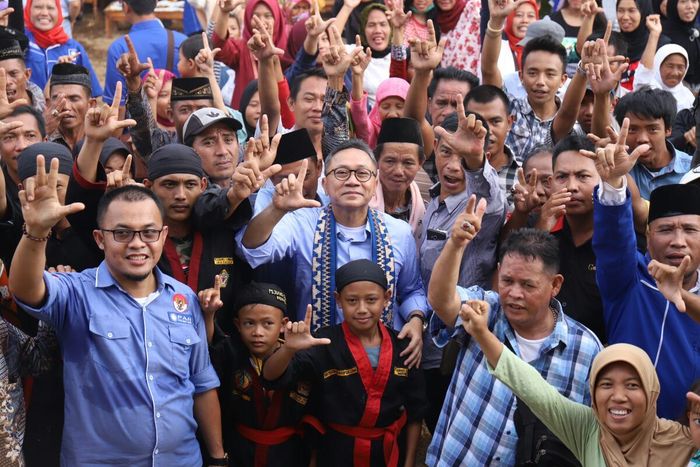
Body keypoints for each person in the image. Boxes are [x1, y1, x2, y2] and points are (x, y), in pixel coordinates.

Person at [9, 175, 226, 465]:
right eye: (122, 233)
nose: (137, 244)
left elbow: (202, 383)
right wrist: (36, 232)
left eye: (148, 232)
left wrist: (218, 457)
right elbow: (24, 288)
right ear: (100, 239)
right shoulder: (77, 293)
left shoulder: (184, 299)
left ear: (163, 235)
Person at [238, 138, 428, 368]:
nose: (352, 181)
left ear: (374, 182)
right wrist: (276, 210)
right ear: (325, 184)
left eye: (362, 174)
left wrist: (416, 320)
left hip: (382, 359)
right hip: (318, 358)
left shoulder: (398, 231)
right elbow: (254, 250)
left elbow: (412, 289)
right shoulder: (302, 222)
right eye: (341, 173)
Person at [426, 225, 602, 465]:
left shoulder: (586, 350)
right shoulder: (485, 310)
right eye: (507, 280)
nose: (514, 293)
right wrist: (455, 244)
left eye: (528, 285)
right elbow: (441, 300)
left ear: (556, 285)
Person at [457, 299, 697, 466]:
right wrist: (482, 334)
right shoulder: (588, 429)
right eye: (606, 385)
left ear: (652, 392)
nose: (618, 396)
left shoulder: (686, 440)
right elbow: (532, 388)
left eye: (633, 385)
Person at [262, 259, 428, 467]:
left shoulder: (404, 346)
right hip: (334, 453)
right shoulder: (323, 342)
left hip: (386, 454)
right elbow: (270, 377)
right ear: (338, 300)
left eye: (371, 300)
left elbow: (416, 411)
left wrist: (410, 461)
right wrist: (288, 349)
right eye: (351, 301)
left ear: (386, 298)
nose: (361, 309)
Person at [589, 123, 700, 419]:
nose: (678, 241)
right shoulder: (629, 279)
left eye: (690, 230)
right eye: (665, 230)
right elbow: (613, 240)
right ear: (648, 236)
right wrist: (613, 183)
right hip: (624, 435)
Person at [416, 109, 506, 433]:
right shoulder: (432, 205)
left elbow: (489, 197)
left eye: (462, 157)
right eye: (445, 152)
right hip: (427, 346)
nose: (453, 166)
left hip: (463, 346)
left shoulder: (480, 205)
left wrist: (474, 161)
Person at [208, 281, 315, 466]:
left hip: (290, 454)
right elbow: (204, 352)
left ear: (283, 325)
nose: (258, 332)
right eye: (249, 323)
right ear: (237, 324)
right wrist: (208, 314)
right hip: (240, 451)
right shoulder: (230, 353)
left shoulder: (300, 357)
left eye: (268, 324)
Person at [481, 0, 588, 163]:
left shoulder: (572, 125)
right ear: (521, 76)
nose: (540, 81)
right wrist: (496, 22)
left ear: (563, 80)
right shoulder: (509, 108)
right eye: (532, 73)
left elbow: (569, 111)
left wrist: (584, 68)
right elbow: (488, 71)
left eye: (550, 74)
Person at [103, 0, 186, 107]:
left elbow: (115, 103)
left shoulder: (119, 47)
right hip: (176, 119)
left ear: (126, 7)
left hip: (135, 121)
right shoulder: (182, 41)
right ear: (156, 3)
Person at [613, 87, 692, 198]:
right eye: (632, 129)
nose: (642, 139)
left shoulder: (691, 170)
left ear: (668, 129)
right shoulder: (617, 170)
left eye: (652, 129)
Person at [213, 0, 291, 108]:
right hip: (244, 120)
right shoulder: (242, 48)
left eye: (268, 16)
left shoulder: (287, 49)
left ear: (277, 19)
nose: (261, 21)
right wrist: (224, 13)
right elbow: (219, 46)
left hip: (280, 119)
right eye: (255, 16)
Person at [23, 0, 102, 98]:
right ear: (28, 10)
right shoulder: (20, 44)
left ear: (59, 11)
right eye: (38, 7)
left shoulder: (73, 48)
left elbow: (91, 93)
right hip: (26, 111)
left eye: (50, 8)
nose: (44, 13)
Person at [464, 85, 518, 211]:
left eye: (495, 121)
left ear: (509, 122)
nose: (486, 130)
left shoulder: (524, 176)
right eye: (478, 122)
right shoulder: (451, 171)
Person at [370, 117, 426, 235]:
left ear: (420, 164)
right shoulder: (360, 202)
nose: (398, 171)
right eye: (390, 161)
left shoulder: (423, 210)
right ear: (377, 160)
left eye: (408, 163)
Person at [634, 14, 694, 111]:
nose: (675, 73)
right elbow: (644, 72)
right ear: (658, 66)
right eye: (670, 66)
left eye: (680, 67)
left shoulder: (688, 98)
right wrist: (654, 34)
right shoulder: (648, 89)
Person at [45, 63, 91, 152]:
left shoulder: (99, 141)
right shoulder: (41, 138)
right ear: (49, 103)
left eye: (74, 99)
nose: (66, 107)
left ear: (91, 104)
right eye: (58, 99)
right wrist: (44, 131)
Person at [661, 0, 700, 90]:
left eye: (694, 1)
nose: (690, 6)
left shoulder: (696, 30)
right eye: (683, 1)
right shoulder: (661, 34)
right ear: (673, 5)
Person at [0, 35, 45, 113]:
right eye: (1, 76)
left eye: (13, 73)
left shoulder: (47, 109)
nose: (7, 82)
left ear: (27, 74)